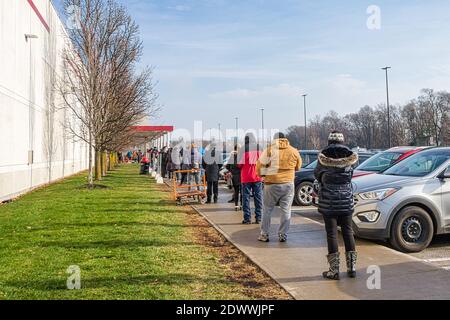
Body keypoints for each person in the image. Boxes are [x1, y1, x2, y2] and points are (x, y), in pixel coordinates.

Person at [314, 131, 359, 280]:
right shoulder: (350, 157)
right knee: (348, 232)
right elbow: (350, 176)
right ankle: (352, 268)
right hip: (346, 200)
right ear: (342, 141)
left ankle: (334, 270)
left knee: (332, 234)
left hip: (329, 201)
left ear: (329, 141)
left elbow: (317, 175)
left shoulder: (322, 158)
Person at [256, 132, 302, 243]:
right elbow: (298, 166)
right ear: (285, 139)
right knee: (286, 210)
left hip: (271, 184)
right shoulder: (293, 150)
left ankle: (264, 234)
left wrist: (263, 174)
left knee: (267, 210)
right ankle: (283, 235)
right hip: (288, 183)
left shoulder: (269, 150)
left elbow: (259, 166)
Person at [237, 133, 263, 225]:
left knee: (246, 198)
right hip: (257, 176)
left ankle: (247, 219)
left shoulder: (243, 149)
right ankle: (259, 218)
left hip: (246, 176)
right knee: (258, 197)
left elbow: (239, 164)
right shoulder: (259, 147)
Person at [226, 145, 242, 211]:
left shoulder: (232, 157)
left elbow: (227, 166)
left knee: (236, 191)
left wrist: (231, 171)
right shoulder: (241, 157)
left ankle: (236, 205)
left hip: (234, 176)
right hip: (241, 176)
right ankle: (241, 205)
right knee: (242, 191)